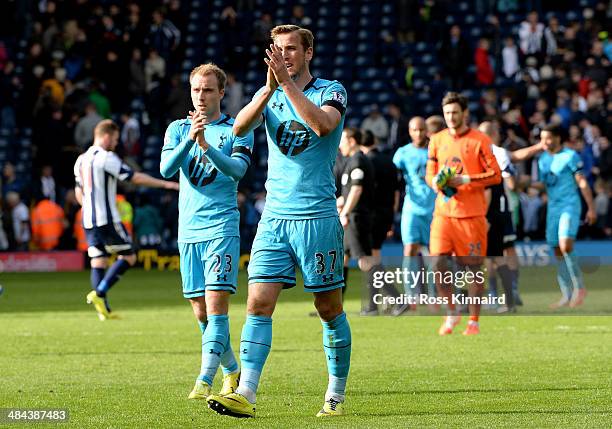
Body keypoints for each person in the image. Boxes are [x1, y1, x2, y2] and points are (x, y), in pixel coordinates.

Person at [207, 24, 350, 418]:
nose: (283, 55)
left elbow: (323, 125)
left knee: (328, 308)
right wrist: (270, 89)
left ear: (308, 53)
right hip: (275, 218)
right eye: (278, 49)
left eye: (291, 48)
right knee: (257, 303)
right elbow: (237, 127)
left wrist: (287, 86)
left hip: (317, 217)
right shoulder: (267, 93)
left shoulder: (330, 90)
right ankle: (246, 393)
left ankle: (335, 395)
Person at [160, 63, 254, 401]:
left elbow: (238, 171)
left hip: (221, 228)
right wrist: (190, 139)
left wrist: (207, 146)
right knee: (200, 311)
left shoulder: (237, 129)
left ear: (222, 93)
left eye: (208, 90)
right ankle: (232, 369)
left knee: (216, 308)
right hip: (189, 232)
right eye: (196, 89)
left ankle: (204, 379)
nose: (201, 96)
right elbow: (167, 169)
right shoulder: (176, 129)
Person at [74, 120, 179, 320]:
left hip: (88, 220)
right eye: (114, 139)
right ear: (106, 136)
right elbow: (134, 177)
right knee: (129, 256)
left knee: (98, 261)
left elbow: (78, 192)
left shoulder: (80, 160)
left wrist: (87, 207)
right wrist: (167, 185)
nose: (116, 143)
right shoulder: (106, 157)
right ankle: (100, 292)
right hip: (107, 218)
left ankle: (102, 310)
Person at [425, 92, 501, 336]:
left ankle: (474, 320)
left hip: (472, 215)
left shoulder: (480, 140)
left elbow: (495, 175)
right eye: (447, 112)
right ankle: (451, 311)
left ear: (464, 114)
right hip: (443, 214)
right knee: (437, 263)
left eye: (455, 112)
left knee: (473, 270)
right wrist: (436, 182)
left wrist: (465, 179)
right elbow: (429, 174)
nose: (450, 117)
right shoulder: (436, 140)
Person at [536, 124, 596, 308]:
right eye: (542, 138)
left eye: (547, 138)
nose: (544, 142)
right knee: (556, 250)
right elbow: (544, 185)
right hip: (553, 208)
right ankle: (566, 295)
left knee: (565, 245)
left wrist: (591, 208)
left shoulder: (570, 156)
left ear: (557, 138)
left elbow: (582, 182)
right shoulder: (543, 159)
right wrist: (523, 185)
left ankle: (580, 288)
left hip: (570, 205)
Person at [393, 117, 437, 310]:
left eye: (421, 130)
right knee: (410, 250)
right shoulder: (402, 154)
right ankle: (412, 296)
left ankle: (434, 295)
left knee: (434, 254)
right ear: (410, 131)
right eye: (414, 130)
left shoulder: (435, 151)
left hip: (434, 209)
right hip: (411, 208)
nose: (418, 133)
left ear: (426, 130)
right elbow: (394, 182)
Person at [337, 127, 377, 313]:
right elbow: (349, 192)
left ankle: (394, 298)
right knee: (343, 258)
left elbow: (357, 189)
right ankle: (336, 305)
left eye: (343, 140)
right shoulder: (351, 161)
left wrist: (345, 212)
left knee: (364, 260)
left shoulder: (358, 160)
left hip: (357, 217)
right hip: (352, 215)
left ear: (352, 141)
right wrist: (340, 204)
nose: (340, 144)